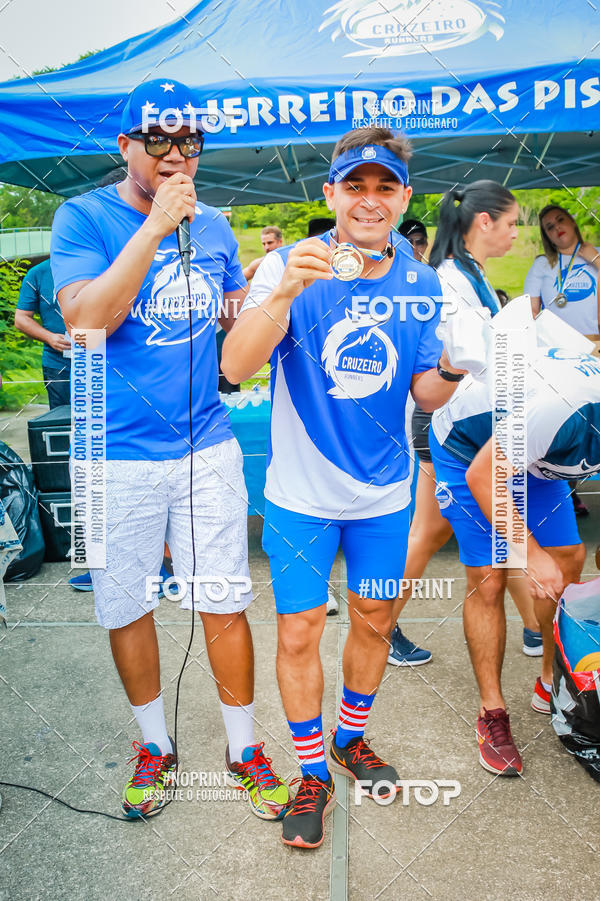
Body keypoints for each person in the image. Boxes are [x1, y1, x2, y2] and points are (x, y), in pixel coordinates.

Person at [50, 78, 289, 821]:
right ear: (126, 147)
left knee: (224, 598)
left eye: (191, 141)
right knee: (126, 606)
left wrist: (267, 297)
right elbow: (86, 322)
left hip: (205, 444)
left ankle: (244, 749)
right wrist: (152, 229)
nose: (178, 153)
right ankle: (155, 746)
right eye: (159, 139)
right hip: (109, 451)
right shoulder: (81, 216)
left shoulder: (215, 226)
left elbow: (228, 320)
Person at [222, 126, 465, 849]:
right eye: (353, 185)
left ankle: (349, 739)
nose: (368, 199)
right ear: (329, 194)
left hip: (385, 495)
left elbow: (422, 391)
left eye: (383, 186)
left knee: (374, 622)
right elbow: (235, 365)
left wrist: (454, 367)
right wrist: (291, 286)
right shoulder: (284, 266)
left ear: (404, 196)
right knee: (299, 628)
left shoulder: (421, 280)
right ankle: (309, 771)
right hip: (300, 492)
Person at [387, 182, 543, 665]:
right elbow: (463, 362)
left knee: (441, 532)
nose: (518, 234)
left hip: (462, 422)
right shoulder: (451, 279)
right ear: (483, 222)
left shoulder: (469, 272)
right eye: (513, 223)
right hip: (451, 424)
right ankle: (378, 627)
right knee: (457, 530)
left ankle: (536, 627)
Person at [429, 342, 596, 774]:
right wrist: (528, 553)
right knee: (490, 576)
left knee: (569, 561)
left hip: (536, 458)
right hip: (470, 451)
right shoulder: (565, 408)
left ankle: (551, 682)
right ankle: (492, 712)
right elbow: (483, 476)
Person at [525, 204, 600, 517]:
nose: (556, 228)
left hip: (596, 347)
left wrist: (593, 257)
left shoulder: (595, 255)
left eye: (560, 220)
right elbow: (531, 310)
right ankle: (569, 490)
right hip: (560, 352)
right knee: (567, 422)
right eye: (548, 226)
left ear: (573, 221)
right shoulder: (543, 263)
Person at [15, 258, 71, 408]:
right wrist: (49, 337)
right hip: (58, 363)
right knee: (62, 421)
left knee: (105, 418)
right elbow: (21, 319)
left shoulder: (101, 267)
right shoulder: (38, 273)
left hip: (101, 358)